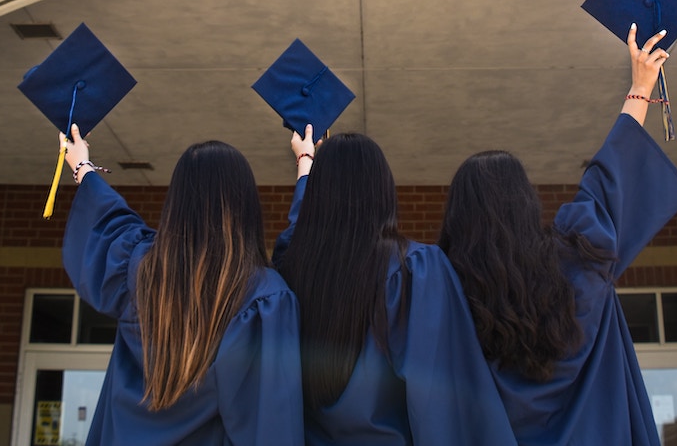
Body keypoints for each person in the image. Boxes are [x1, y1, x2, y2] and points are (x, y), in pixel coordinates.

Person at [438, 24, 677, 446]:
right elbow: (610, 178)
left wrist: (308, 167)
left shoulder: (443, 295)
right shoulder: (579, 260)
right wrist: (641, 85)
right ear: (527, 205)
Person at [60, 124, 304, 446]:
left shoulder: (138, 270)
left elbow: (108, 221)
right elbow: (270, 426)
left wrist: (82, 165)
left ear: (177, 201)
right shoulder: (262, 297)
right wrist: (305, 167)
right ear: (246, 204)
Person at [273, 128, 516, 445]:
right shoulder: (413, 270)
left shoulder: (291, 271)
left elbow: (297, 232)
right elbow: (440, 403)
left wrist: (306, 165)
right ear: (382, 191)